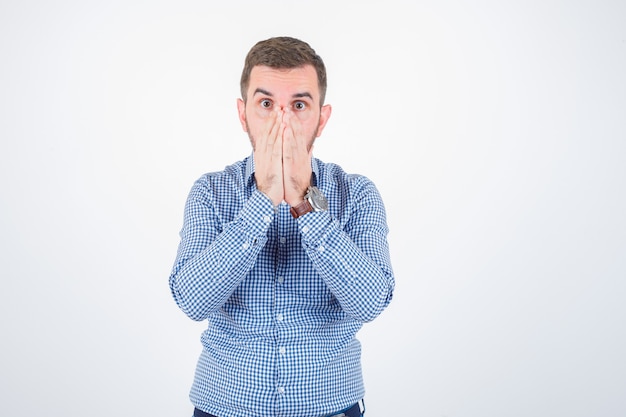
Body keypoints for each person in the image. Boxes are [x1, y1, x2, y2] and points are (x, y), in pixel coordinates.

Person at [169, 36, 394, 417]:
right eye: (267, 104)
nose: (282, 121)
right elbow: (191, 300)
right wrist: (263, 199)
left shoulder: (356, 193)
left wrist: (307, 203)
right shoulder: (209, 192)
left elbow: (371, 302)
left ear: (321, 119)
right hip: (224, 407)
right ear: (243, 115)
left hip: (330, 407)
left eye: (299, 105)